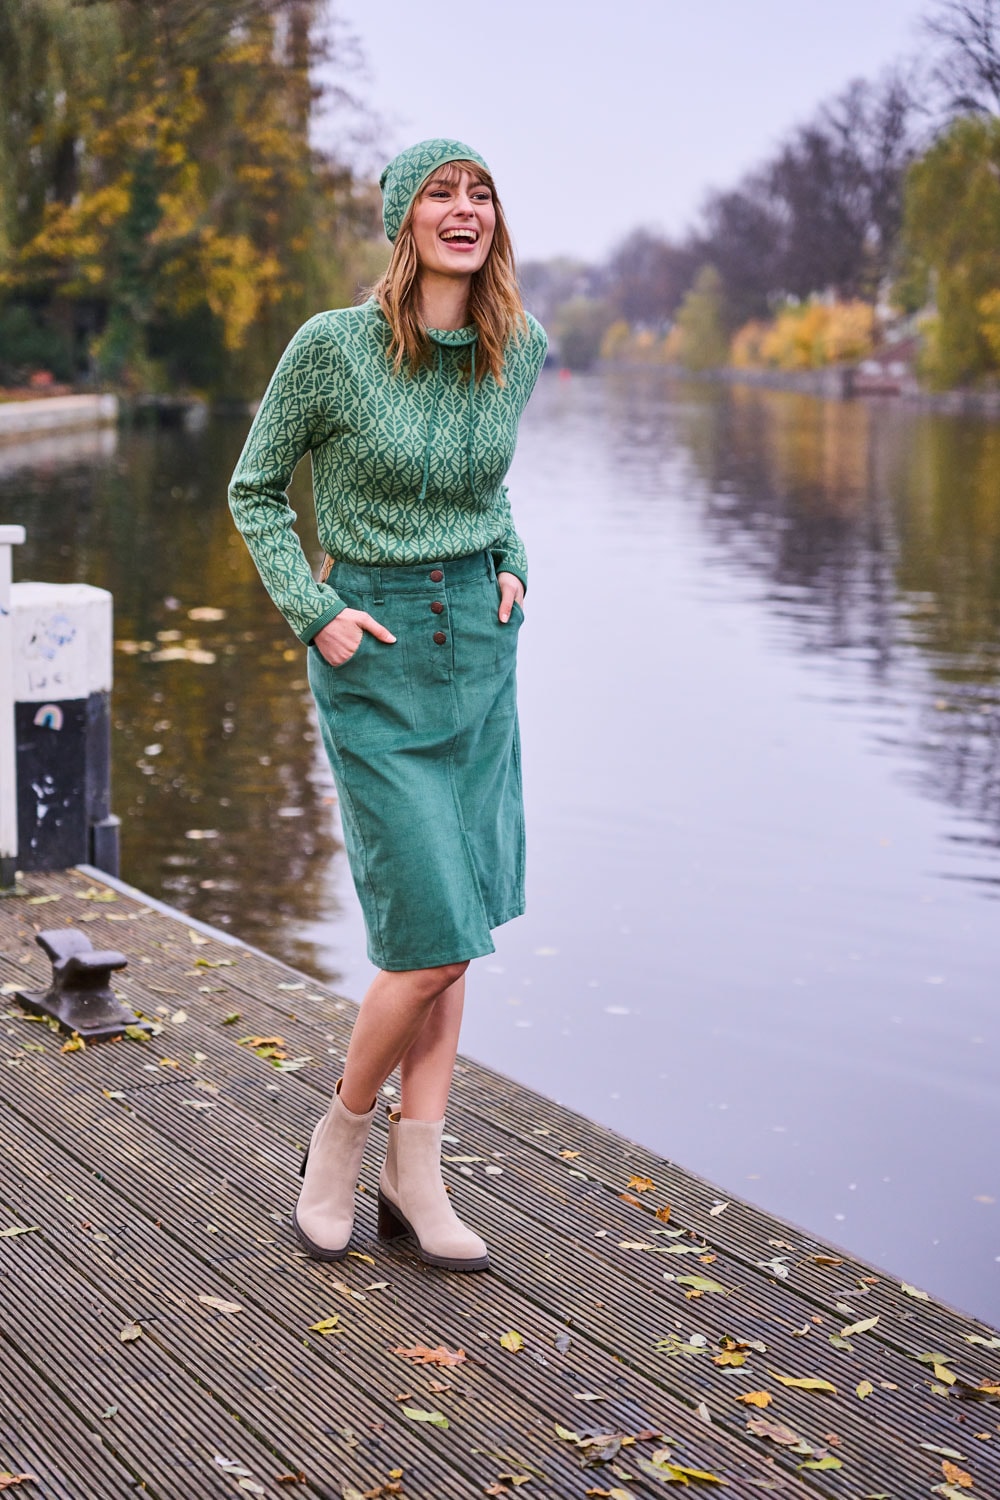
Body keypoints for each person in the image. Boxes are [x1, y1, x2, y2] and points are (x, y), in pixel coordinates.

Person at [228, 139, 547, 1272]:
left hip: (480, 652)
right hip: (376, 648)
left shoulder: (518, 347)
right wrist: (314, 610)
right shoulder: (334, 348)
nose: (463, 210)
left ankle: (418, 1174)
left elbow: (489, 489)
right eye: (439, 193)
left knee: (456, 934)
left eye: (479, 192)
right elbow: (256, 490)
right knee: (426, 936)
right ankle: (340, 1138)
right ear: (402, 219)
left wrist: (513, 563)